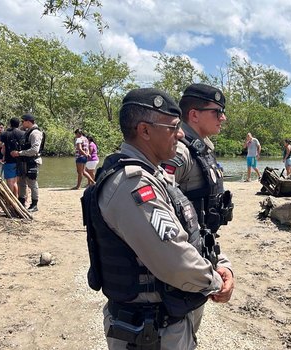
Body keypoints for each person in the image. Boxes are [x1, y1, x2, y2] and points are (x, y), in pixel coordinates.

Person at [81, 87, 234, 350]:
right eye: (173, 127)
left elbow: (192, 228)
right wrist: (216, 283)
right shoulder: (132, 184)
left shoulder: (153, 176)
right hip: (149, 331)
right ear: (145, 131)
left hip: (165, 321)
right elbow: (174, 259)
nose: (181, 133)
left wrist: (221, 263)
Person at [160, 83, 234, 334]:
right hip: (179, 260)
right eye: (217, 111)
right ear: (194, 115)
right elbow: (159, 207)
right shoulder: (179, 151)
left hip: (199, 251)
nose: (223, 117)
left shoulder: (202, 147)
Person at [10, 114, 45, 212]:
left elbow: (34, 149)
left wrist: (19, 153)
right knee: (21, 182)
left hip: (33, 161)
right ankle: (21, 202)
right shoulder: (27, 131)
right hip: (25, 161)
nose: (21, 123)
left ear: (28, 121)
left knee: (32, 183)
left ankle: (34, 204)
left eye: (23, 121)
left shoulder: (35, 133)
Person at [0, 117, 25, 197]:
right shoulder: (22, 133)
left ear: (10, 124)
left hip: (9, 161)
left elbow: (0, 146)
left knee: (10, 182)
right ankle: (18, 199)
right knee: (16, 182)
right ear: (19, 124)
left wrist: (1, 156)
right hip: (20, 160)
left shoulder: (4, 133)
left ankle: (11, 200)